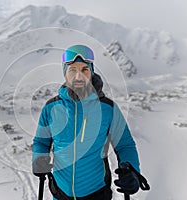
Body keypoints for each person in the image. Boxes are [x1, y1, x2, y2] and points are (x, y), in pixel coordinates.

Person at [32, 44, 149, 200]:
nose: (78, 75)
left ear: (91, 72)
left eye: (84, 69)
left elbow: (124, 145)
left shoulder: (108, 109)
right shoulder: (51, 108)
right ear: (65, 73)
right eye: (72, 70)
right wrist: (39, 158)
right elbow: (41, 141)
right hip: (60, 194)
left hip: (97, 193)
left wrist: (132, 173)